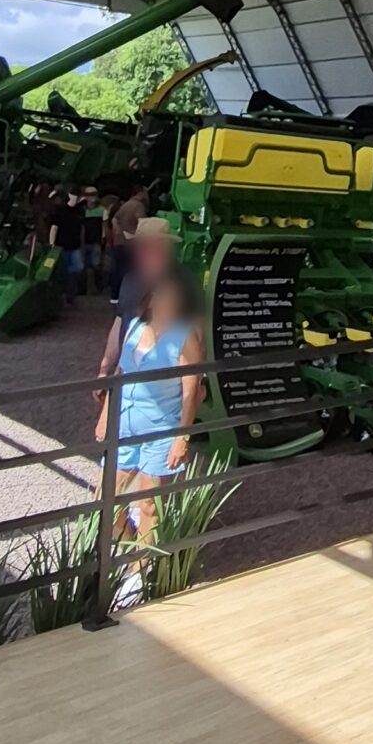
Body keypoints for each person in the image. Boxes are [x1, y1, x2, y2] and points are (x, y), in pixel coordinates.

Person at [97, 265, 204, 559]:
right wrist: (105, 415)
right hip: (125, 425)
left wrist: (181, 438)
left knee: (148, 504)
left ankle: (140, 569)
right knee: (104, 499)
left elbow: (191, 390)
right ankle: (129, 548)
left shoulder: (184, 337)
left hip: (161, 429)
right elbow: (120, 373)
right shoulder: (134, 327)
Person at [107, 180, 150, 309]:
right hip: (131, 244)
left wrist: (118, 230)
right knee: (131, 273)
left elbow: (114, 219)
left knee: (118, 270)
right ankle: (129, 298)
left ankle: (115, 296)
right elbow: (142, 222)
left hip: (119, 242)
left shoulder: (125, 205)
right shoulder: (138, 206)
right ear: (140, 193)